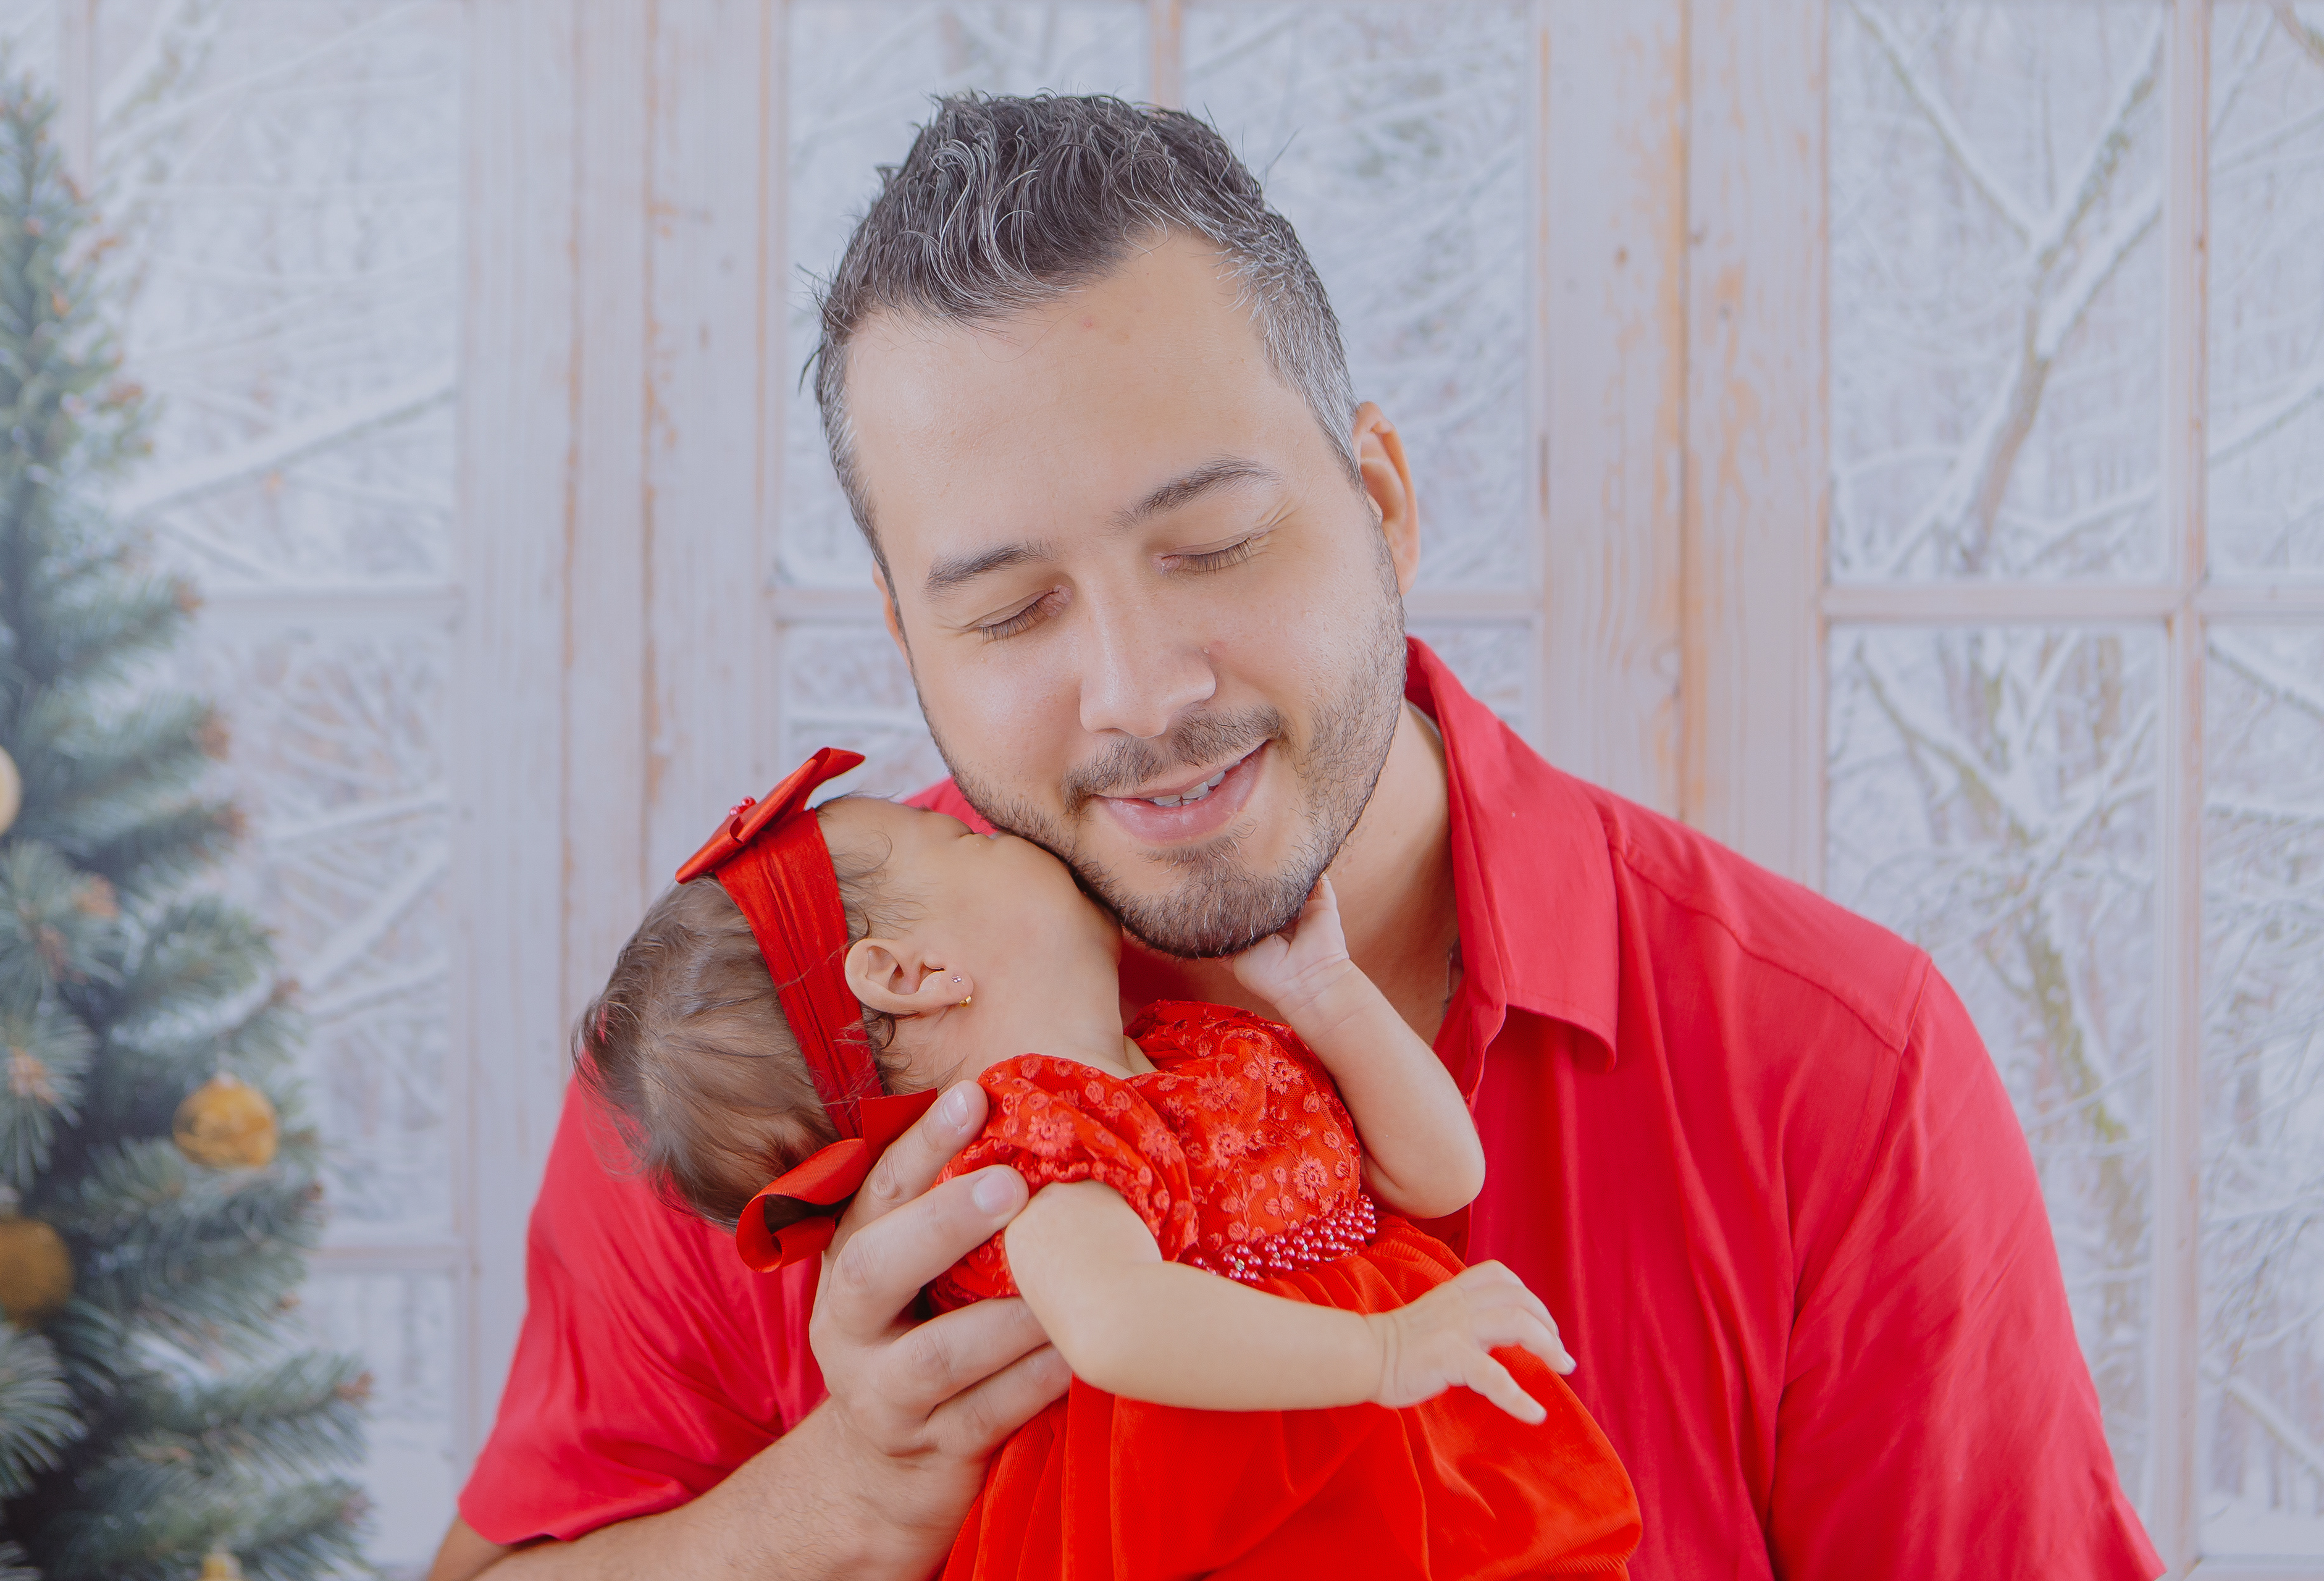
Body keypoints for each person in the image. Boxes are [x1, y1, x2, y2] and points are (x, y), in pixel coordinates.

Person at [429, 94, 2162, 1580]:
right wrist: (840, 1504)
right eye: (1012, 611)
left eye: (1212, 545)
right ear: (908, 637)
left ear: (1382, 500)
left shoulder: (1835, 1067)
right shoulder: (760, 1048)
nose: (1140, 691)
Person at [565, 744, 1640, 1579]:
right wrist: (1385, 1351)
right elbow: (1119, 1326)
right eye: (965, 843)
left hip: (1407, 1492)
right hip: (1241, 1520)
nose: (998, 832)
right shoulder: (1034, 1149)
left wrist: (1327, 995)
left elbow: (1441, 1178)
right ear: (911, 974)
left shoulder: (1189, 1051)